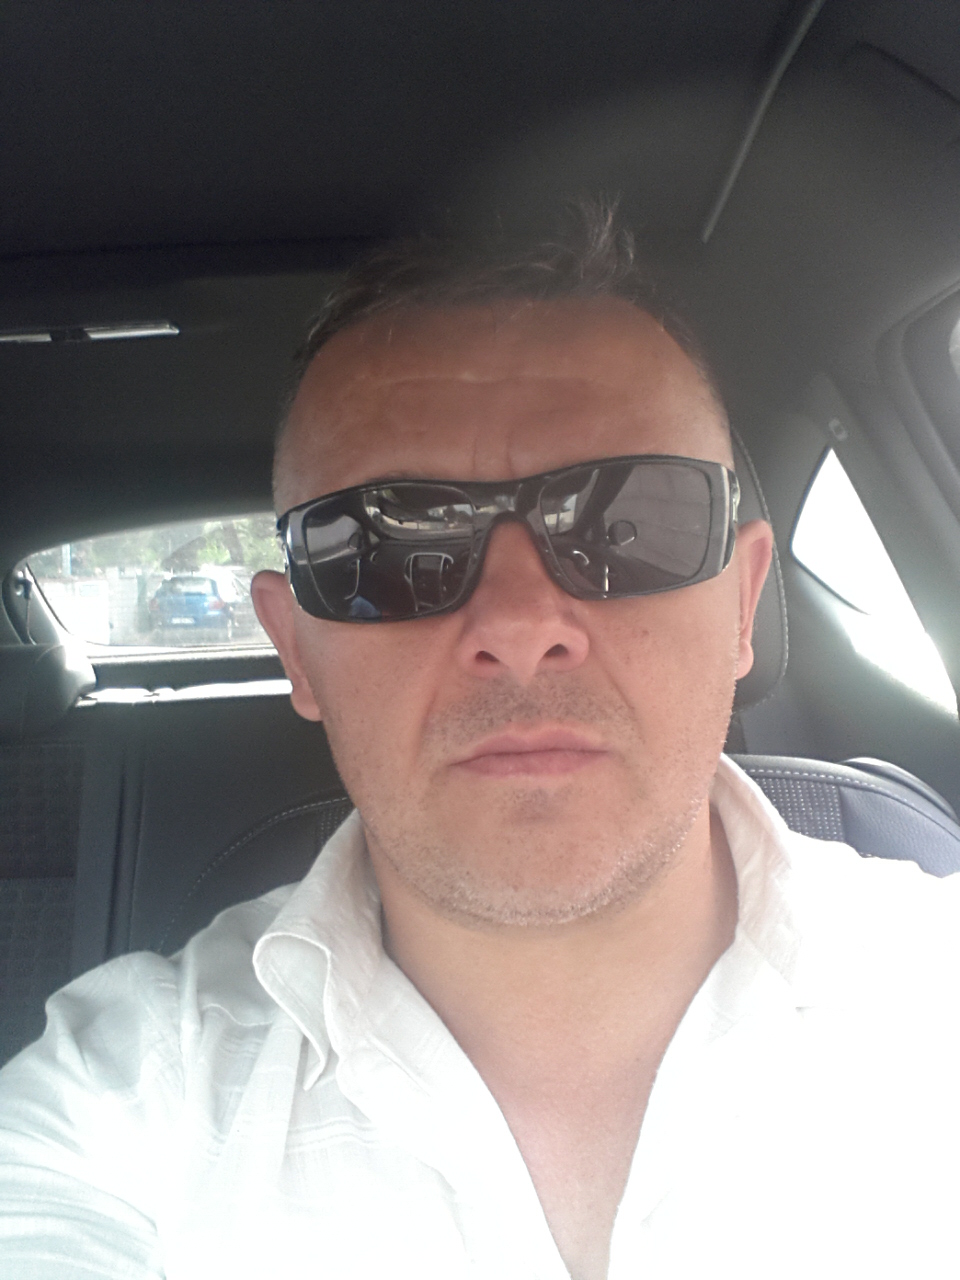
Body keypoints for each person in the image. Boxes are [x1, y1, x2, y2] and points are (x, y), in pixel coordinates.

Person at [0, 207, 958, 1280]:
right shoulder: (122, 1101)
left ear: (741, 603)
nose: (519, 622)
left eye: (627, 524)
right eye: (386, 548)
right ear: (296, 649)